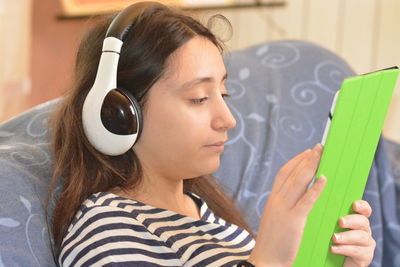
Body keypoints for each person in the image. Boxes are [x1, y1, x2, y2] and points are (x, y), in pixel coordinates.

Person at [48, 1, 376, 266]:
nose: (228, 119)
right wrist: (269, 258)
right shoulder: (108, 234)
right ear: (118, 114)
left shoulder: (210, 218)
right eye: (199, 98)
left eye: (224, 94)